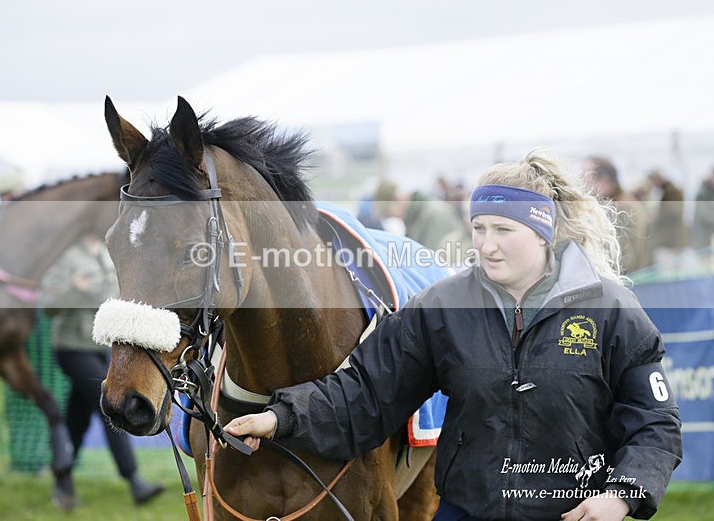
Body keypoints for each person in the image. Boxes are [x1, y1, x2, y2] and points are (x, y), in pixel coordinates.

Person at [224, 149, 682, 520]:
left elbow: (655, 422)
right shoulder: (442, 308)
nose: (486, 245)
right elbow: (365, 395)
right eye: (478, 228)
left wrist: (621, 495)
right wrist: (281, 417)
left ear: (543, 233)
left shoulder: (612, 311)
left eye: (503, 229)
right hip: (467, 512)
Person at [41, 232, 165, 510]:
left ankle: (62, 481)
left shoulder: (109, 255)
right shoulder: (66, 257)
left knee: (77, 417)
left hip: (99, 348)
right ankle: (134, 480)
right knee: (111, 404)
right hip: (71, 348)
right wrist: (74, 289)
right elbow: (48, 307)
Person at [583, 156, 650, 273]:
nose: (585, 184)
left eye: (588, 178)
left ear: (605, 180)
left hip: (628, 277)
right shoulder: (620, 202)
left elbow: (621, 257)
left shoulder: (622, 208)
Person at [645, 170, 689, 269]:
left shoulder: (673, 193)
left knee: (670, 271)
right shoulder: (664, 193)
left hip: (671, 241)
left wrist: (657, 216)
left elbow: (675, 212)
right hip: (669, 240)